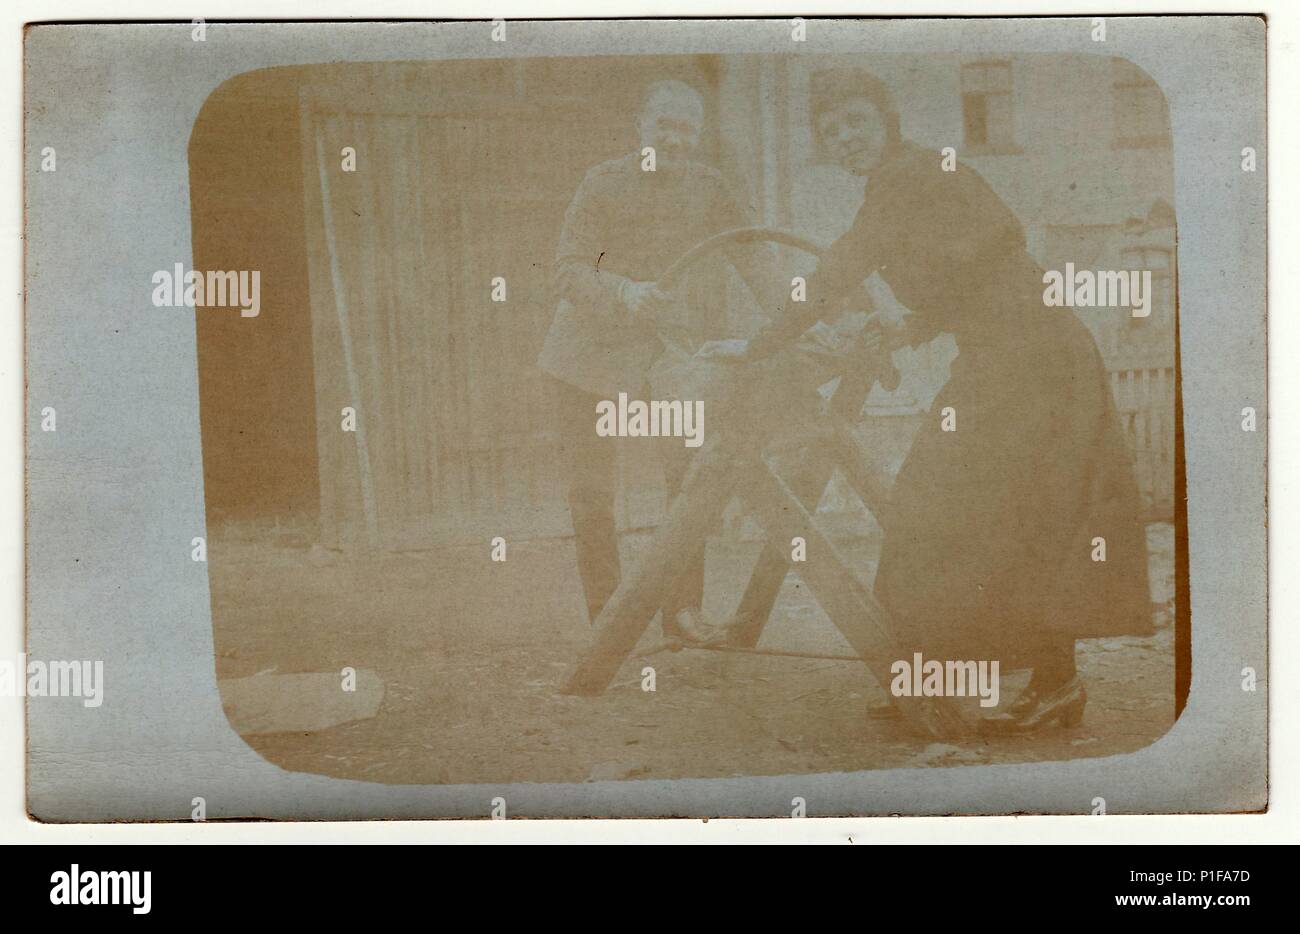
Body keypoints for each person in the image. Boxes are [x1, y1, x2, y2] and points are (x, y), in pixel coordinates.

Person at [699, 68, 1152, 733]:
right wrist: (915, 325)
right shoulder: (905, 184)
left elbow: (839, 273)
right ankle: (941, 674)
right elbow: (967, 274)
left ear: (884, 121)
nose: (846, 137)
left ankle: (1030, 684)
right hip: (1016, 357)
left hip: (1033, 362)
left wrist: (756, 346)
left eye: (856, 121)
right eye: (832, 132)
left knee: (968, 507)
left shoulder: (905, 180)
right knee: (987, 513)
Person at [538, 79, 782, 641]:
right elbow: (568, 267)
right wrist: (623, 289)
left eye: (687, 129)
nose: (675, 139)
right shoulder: (602, 183)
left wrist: (795, 317)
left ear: (698, 136)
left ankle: (682, 617)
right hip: (585, 360)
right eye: (664, 125)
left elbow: (754, 258)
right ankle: (607, 625)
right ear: (641, 126)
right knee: (594, 495)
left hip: (664, 360)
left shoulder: (708, 186)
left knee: (688, 483)